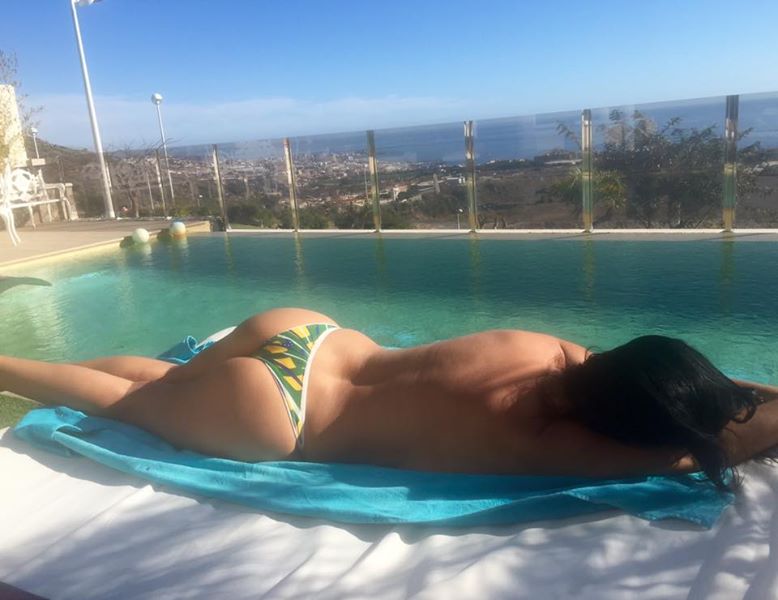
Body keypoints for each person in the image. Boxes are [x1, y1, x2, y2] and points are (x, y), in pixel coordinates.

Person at [2, 307, 776, 489]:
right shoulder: (554, 441)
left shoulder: (547, 348)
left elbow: (675, 391)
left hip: (309, 331)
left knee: (158, 378)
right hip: (281, 415)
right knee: (118, 404)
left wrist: (724, 386)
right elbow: (717, 445)